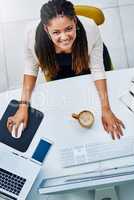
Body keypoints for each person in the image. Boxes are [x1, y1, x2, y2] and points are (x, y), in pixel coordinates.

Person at [7, 0, 125, 140]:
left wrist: (106, 109)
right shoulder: (31, 35)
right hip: (58, 69)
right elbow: (31, 69)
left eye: (68, 29)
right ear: (46, 29)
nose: (64, 38)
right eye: (56, 32)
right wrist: (22, 107)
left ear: (75, 21)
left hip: (88, 62)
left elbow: (98, 69)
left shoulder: (90, 28)